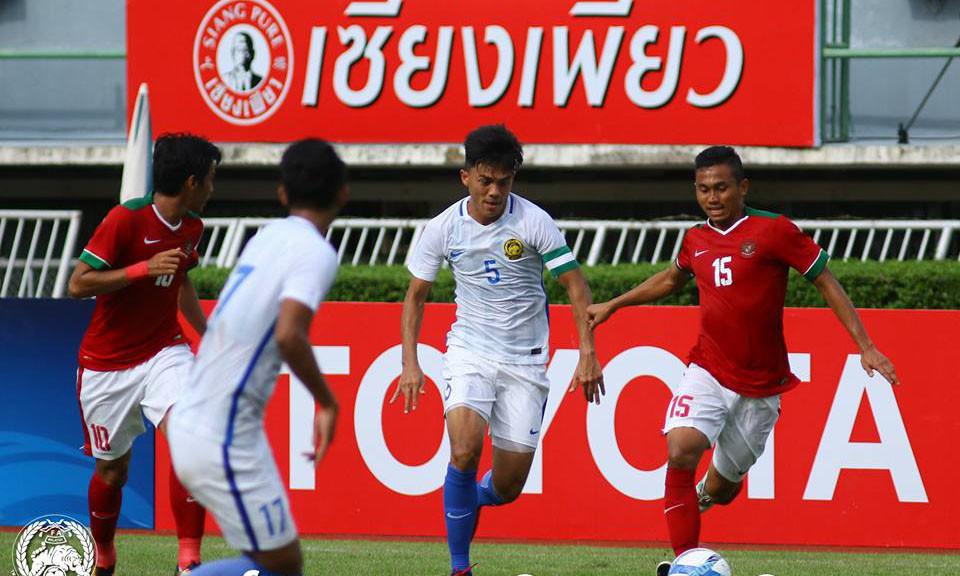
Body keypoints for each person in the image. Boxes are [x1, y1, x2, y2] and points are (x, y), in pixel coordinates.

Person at [585, 146, 899, 576]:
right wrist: (615, 304)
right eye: (703, 189)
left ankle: (704, 496)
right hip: (708, 368)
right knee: (680, 449)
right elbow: (672, 279)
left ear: (742, 187)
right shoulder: (695, 237)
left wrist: (865, 345)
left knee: (724, 488)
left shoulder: (774, 231)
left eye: (720, 188)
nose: (712, 197)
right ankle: (685, 563)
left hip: (762, 386)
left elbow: (825, 280)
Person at [393, 124, 605, 576]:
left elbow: (575, 285)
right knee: (464, 450)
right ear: (465, 176)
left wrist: (587, 351)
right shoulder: (442, 229)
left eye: (503, 182)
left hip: (525, 362)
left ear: (514, 179)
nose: (494, 192)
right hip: (469, 350)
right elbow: (415, 296)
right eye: (485, 180)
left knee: (507, 487)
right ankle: (460, 568)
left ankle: (468, 502)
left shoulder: (533, 222)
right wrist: (409, 362)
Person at [168, 139, 346, 576]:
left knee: (270, 562)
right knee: (282, 566)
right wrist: (327, 401)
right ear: (342, 193)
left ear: (282, 194)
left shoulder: (268, 237)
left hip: (202, 420)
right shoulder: (316, 252)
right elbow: (289, 335)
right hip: (221, 434)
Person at [69, 133, 221, 576]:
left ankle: (188, 561)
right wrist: (141, 269)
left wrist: (207, 334)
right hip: (106, 365)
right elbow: (78, 284)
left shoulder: (193, 227)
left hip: (164, 351)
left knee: (192, 439)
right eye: (211, 180)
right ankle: (104, 553)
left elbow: (181, 282)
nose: (214, 188)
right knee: (113, 473)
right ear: (192, 182)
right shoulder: (124, 220)